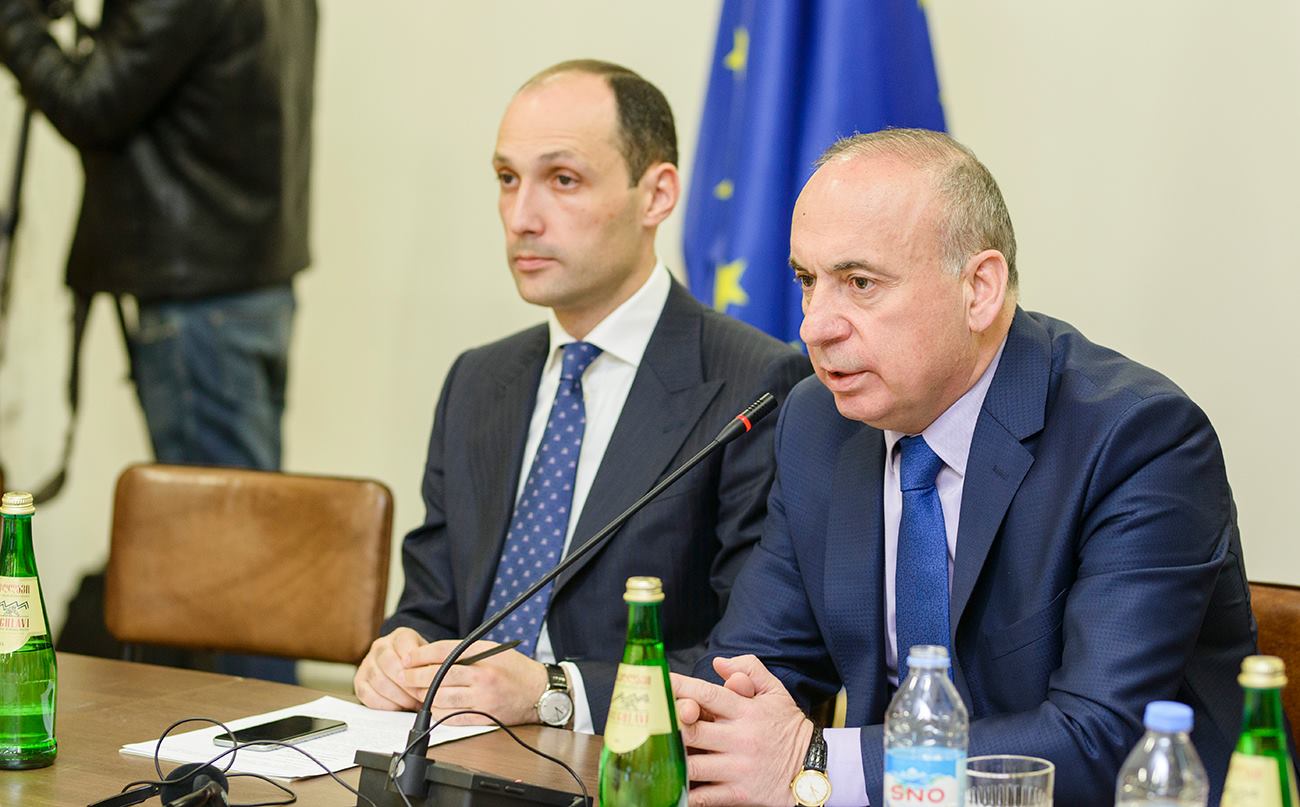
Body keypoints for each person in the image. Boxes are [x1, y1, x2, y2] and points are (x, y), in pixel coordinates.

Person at [670, 129, 1256, 807]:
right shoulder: (818, 421)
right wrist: (718, 724)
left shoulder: (1137, 439)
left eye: (860, 283)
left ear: (979, 288)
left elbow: (1102, 737)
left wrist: (816, 761)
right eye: (807, 281)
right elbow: (753, 663)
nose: (814, 326)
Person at [352, 60, 809, 734]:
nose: (522, 218)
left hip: (620, 760)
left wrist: (556, 691)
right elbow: (431, 605)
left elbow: (749, 663)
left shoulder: (756, 383)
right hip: (446, 746)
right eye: (507, 179)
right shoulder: (477, 380)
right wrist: (397, 653)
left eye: (563, 180)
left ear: (656, 195)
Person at [0, 0, 317, 682]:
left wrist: (15, 24)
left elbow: (92, 104)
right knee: (250, 526)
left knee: (229, 540)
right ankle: (266, 718)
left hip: (197, 293)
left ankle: (267, 729)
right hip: (251, 277)